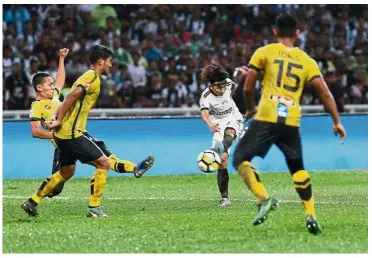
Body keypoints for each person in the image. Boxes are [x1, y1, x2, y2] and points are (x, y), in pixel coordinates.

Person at [232, 14, 347, 235]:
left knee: (240, 158)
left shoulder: (264, 52)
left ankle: (264, 199)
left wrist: (250, 108)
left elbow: (247, 87)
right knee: (297, 168)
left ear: (275, 32)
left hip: (267, 115)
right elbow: (324, 93)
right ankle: (310, 214)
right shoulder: (307, 61)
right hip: (291, 119)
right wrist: (337, 122)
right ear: (297, 34)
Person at [21, 45, 154, 218]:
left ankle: (31, 202)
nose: (111, 65)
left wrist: (61, 59)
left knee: (67, 172)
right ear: (101, 61)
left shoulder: (55, 95)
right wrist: (58, 121)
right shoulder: (90, 77)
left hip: (66, 135)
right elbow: (71, 97)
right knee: (103, 163)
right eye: (109, 61)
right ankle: (94, 208)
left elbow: (61, 85)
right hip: (71, 134)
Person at [199, 64, 243, 207]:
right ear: (211, 86)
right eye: (219, 86)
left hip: (233, 116)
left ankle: (221, 146)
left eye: (224, 86)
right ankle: (225, 198)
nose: (223, 89)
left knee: (230, 132)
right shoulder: (206, 97)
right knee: (223, 160)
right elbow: (204, 113)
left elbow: (233, 85)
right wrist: (209, 123)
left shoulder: (228, 83)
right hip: (217, 121)